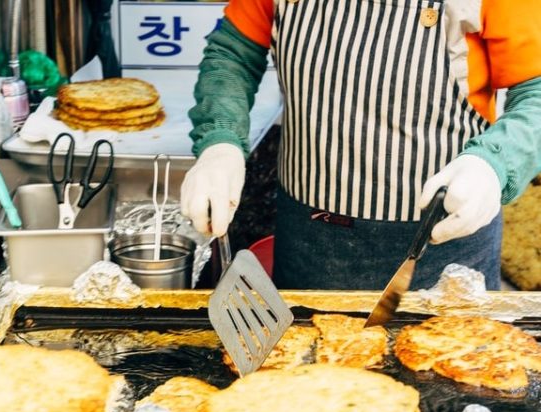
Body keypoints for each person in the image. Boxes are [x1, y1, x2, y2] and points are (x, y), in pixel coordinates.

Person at [180, 0, 541, 290]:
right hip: (309, 241)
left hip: (443, 251)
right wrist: (220, 142)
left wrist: (494, 163)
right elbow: (232, 53)